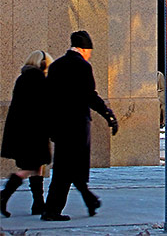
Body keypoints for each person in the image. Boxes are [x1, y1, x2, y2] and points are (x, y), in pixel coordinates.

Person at [41, 30, 118, 222]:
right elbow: (89, 95)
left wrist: (50, 127)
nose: (90, 54)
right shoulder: (83, 67)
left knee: (65, 166)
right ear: (84, 49)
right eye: (89, 50)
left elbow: (48, 99)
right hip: (76, 125)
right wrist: (108, 114)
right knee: (69, 168)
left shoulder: (56, 66)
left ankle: (87, 200)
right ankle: (53, 209)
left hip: (60, 126)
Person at [0, 50, 54, 217]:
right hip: (33, 133)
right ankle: (4, 196)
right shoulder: (36, 79)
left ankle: (38, 203)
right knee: (29, 168)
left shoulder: (23, 78)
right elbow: (43, 107)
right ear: (43, 64)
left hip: (25, 132)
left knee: (36, 167)